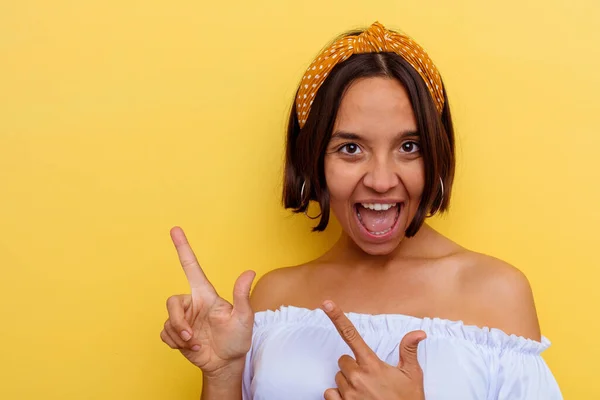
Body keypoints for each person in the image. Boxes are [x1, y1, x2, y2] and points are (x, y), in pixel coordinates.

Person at [160, 21, 563, 400]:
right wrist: (222, 373)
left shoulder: (496, 293)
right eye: (350, 148)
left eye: (409, 147)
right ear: (314, 158)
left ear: (437, 155)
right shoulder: (274, 298)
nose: (382, 180)